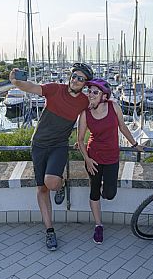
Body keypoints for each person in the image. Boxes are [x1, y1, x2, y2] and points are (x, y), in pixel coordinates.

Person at [9, 62, 93, 250]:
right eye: (75, 76)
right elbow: (31, 87)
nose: (76, 80)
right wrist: (15, 81)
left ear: (85, 83)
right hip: (38, 144)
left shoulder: (84, 101)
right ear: (70, 77)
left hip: (58, 145)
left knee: (52, 182)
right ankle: (50, 231)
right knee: (42, 189)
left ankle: (61, 185)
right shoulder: (55, 89)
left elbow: (100, 105)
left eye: (81, 78)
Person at [77, 78, 144, 244]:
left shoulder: (114, 107)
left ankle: (103, 189)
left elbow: (123, 127)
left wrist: (135, 145)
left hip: (112, 157)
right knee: (94, 191)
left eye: (94, 92)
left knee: (110, 194)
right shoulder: (85, 114)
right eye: (89, 91)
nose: (90, 94)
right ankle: (98, 226)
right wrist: (87, 159)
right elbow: (80, 140)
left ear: (104, 96)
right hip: (94, 158)